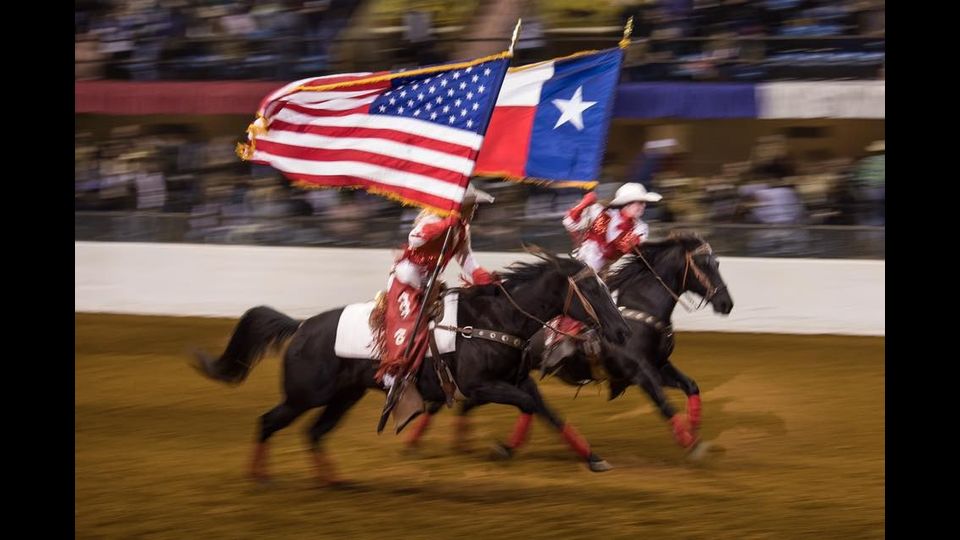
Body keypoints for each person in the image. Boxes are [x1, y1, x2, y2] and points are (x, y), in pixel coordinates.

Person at [376, 183, 497, 431]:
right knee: (410, 323)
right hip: (407, 280)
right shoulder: (435, 217)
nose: (475, 208)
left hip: (430, 284)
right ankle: (393, 375)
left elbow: (467, 260)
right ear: (459, 205)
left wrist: (484, 278)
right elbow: (415, 238)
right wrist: (445, 223)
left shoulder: (462, 228)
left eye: (475, 205)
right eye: (471, 204)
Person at [544, 182, 663, 355]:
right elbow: (570, 221)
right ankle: (554, 334)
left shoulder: (641, 228)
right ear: (627, 204)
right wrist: (584, 204)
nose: (643, 206)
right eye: (639, 202)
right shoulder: (599, 212)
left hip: (604, 271)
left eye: (644, 203)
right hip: (581, 267)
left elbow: (636, 249)